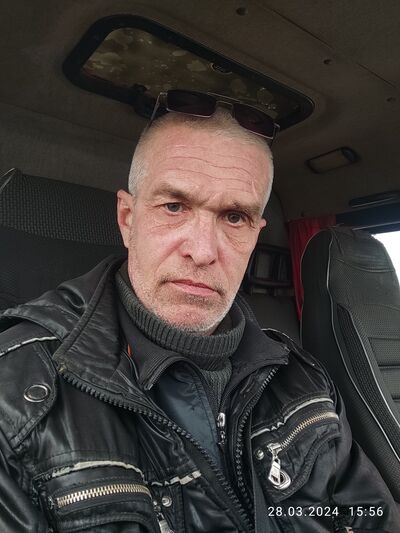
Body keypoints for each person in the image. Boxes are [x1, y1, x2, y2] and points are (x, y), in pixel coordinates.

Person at [0, 90, 398, 533]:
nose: (203, 251)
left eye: (234, 217)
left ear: (256, 233)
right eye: (174, 206)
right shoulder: (13, 397)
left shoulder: (303, 378)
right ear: (128, 219)